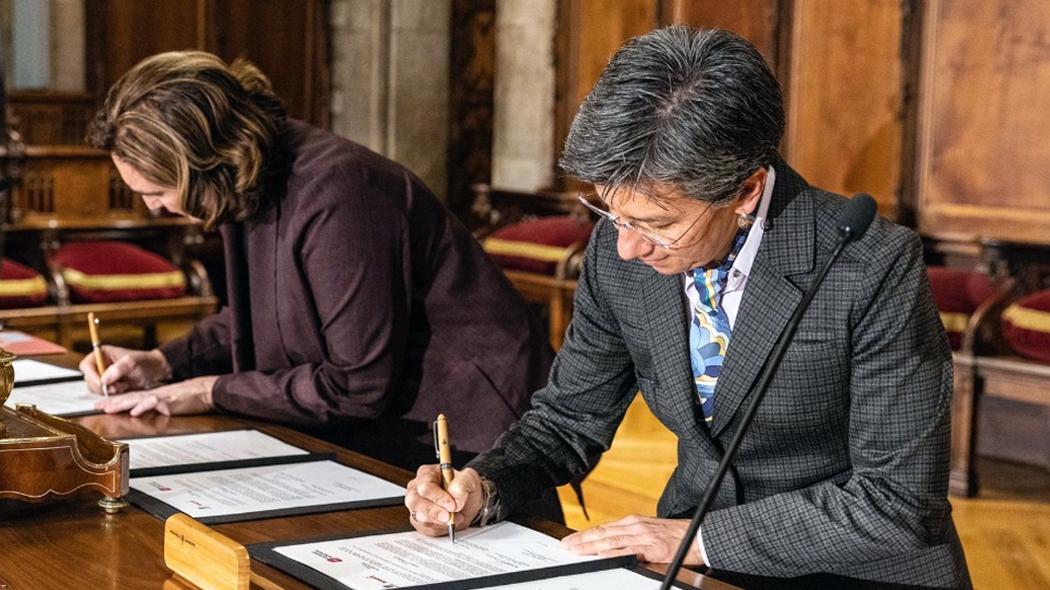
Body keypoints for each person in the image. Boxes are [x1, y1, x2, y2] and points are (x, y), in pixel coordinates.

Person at [404, 26, 972, 589]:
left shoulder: (870, 264)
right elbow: (569, 420)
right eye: (611, 214)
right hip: (687, 566)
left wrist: (699, 539)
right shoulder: (618, 247)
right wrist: (483, 484)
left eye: (657, 224)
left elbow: (898, 499)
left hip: (853, 573)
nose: (628, 245)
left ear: (745, 191)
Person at [79, 51, 555, 473]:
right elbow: (264, 318)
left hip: (460, 435)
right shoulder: (248, 179)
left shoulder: (339, 195)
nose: (154, 209)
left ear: (205, 161)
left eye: (158, 192)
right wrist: (162, 363)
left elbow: (357, 385)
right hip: (378, 425)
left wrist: (208, 391)